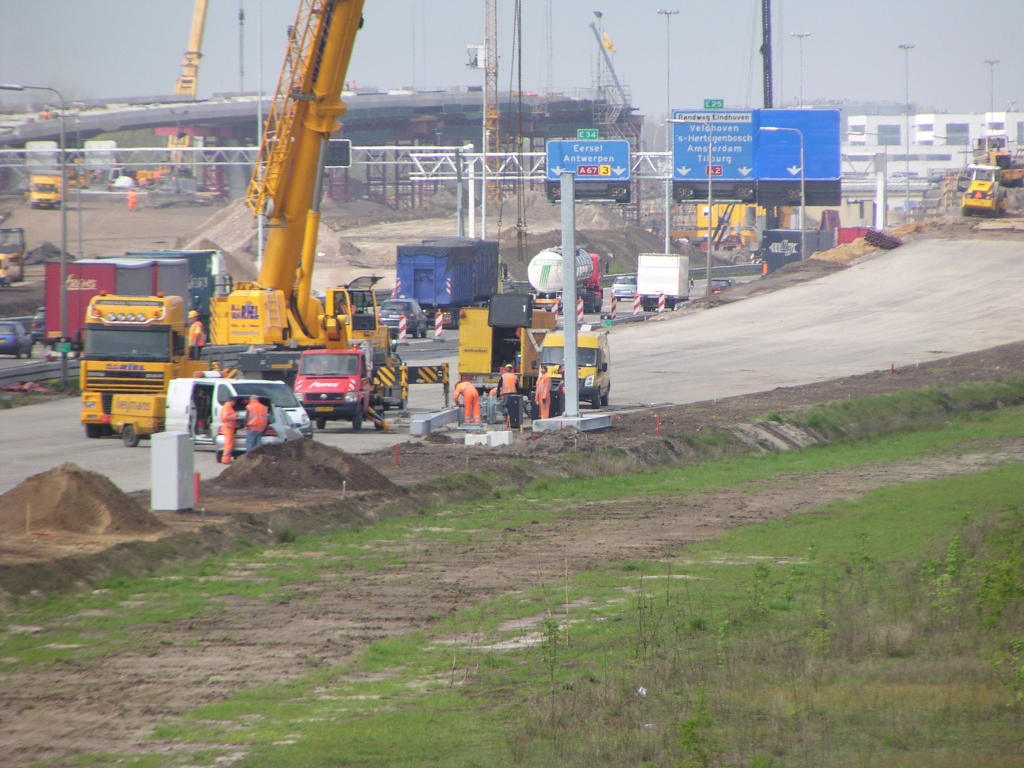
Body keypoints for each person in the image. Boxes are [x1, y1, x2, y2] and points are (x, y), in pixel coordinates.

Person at [220, 397, 237, 464]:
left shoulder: (229, 407)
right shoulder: (227, 407)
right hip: (228, 428)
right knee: (228, 444)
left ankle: (227, 458)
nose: (234, 403)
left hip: (230, 429)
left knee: (229, 444)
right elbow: (226, 417)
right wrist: (235, 415)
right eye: (234, 402)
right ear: (231, 401)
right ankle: (225, 459)